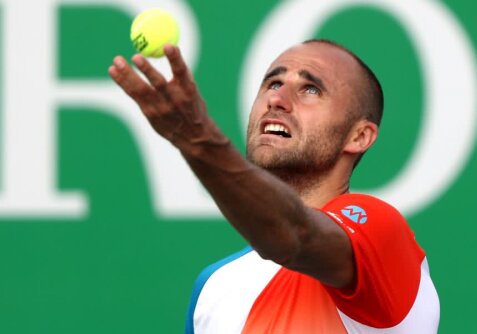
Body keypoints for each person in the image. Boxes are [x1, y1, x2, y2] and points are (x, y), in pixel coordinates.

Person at [109, 39, 440, 333]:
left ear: (359, 136)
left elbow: (294, 237)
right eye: (272, 83)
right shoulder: (213, 286)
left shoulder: (379, 233)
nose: (277, 100)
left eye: (311, 89)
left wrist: (198, 141)